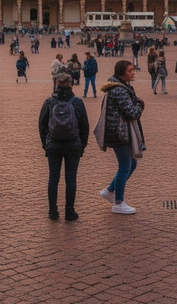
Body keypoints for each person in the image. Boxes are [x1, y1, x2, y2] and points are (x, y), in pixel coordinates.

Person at [39, 72, 90, 221]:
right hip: (73, 145)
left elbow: (42, 125)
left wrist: (45, 144)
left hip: (53, 145)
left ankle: (53, 211)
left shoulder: (49, 102)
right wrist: (82, 146)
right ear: (71, 85)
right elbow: (85, 126)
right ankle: (69, 211)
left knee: (53, 178)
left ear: (56, 84)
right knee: (71, 179)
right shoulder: (77, 102)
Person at [96, 60, 144, 214]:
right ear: (122, 73)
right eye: (130, 70)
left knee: (132, 165)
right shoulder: (120, 90)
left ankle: (110, 190)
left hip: (120, 131)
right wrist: (140, 105)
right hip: (119, 133)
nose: (133, 72)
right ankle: (118, 202)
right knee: (125, 167)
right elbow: (132, 113)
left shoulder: (121, 87)